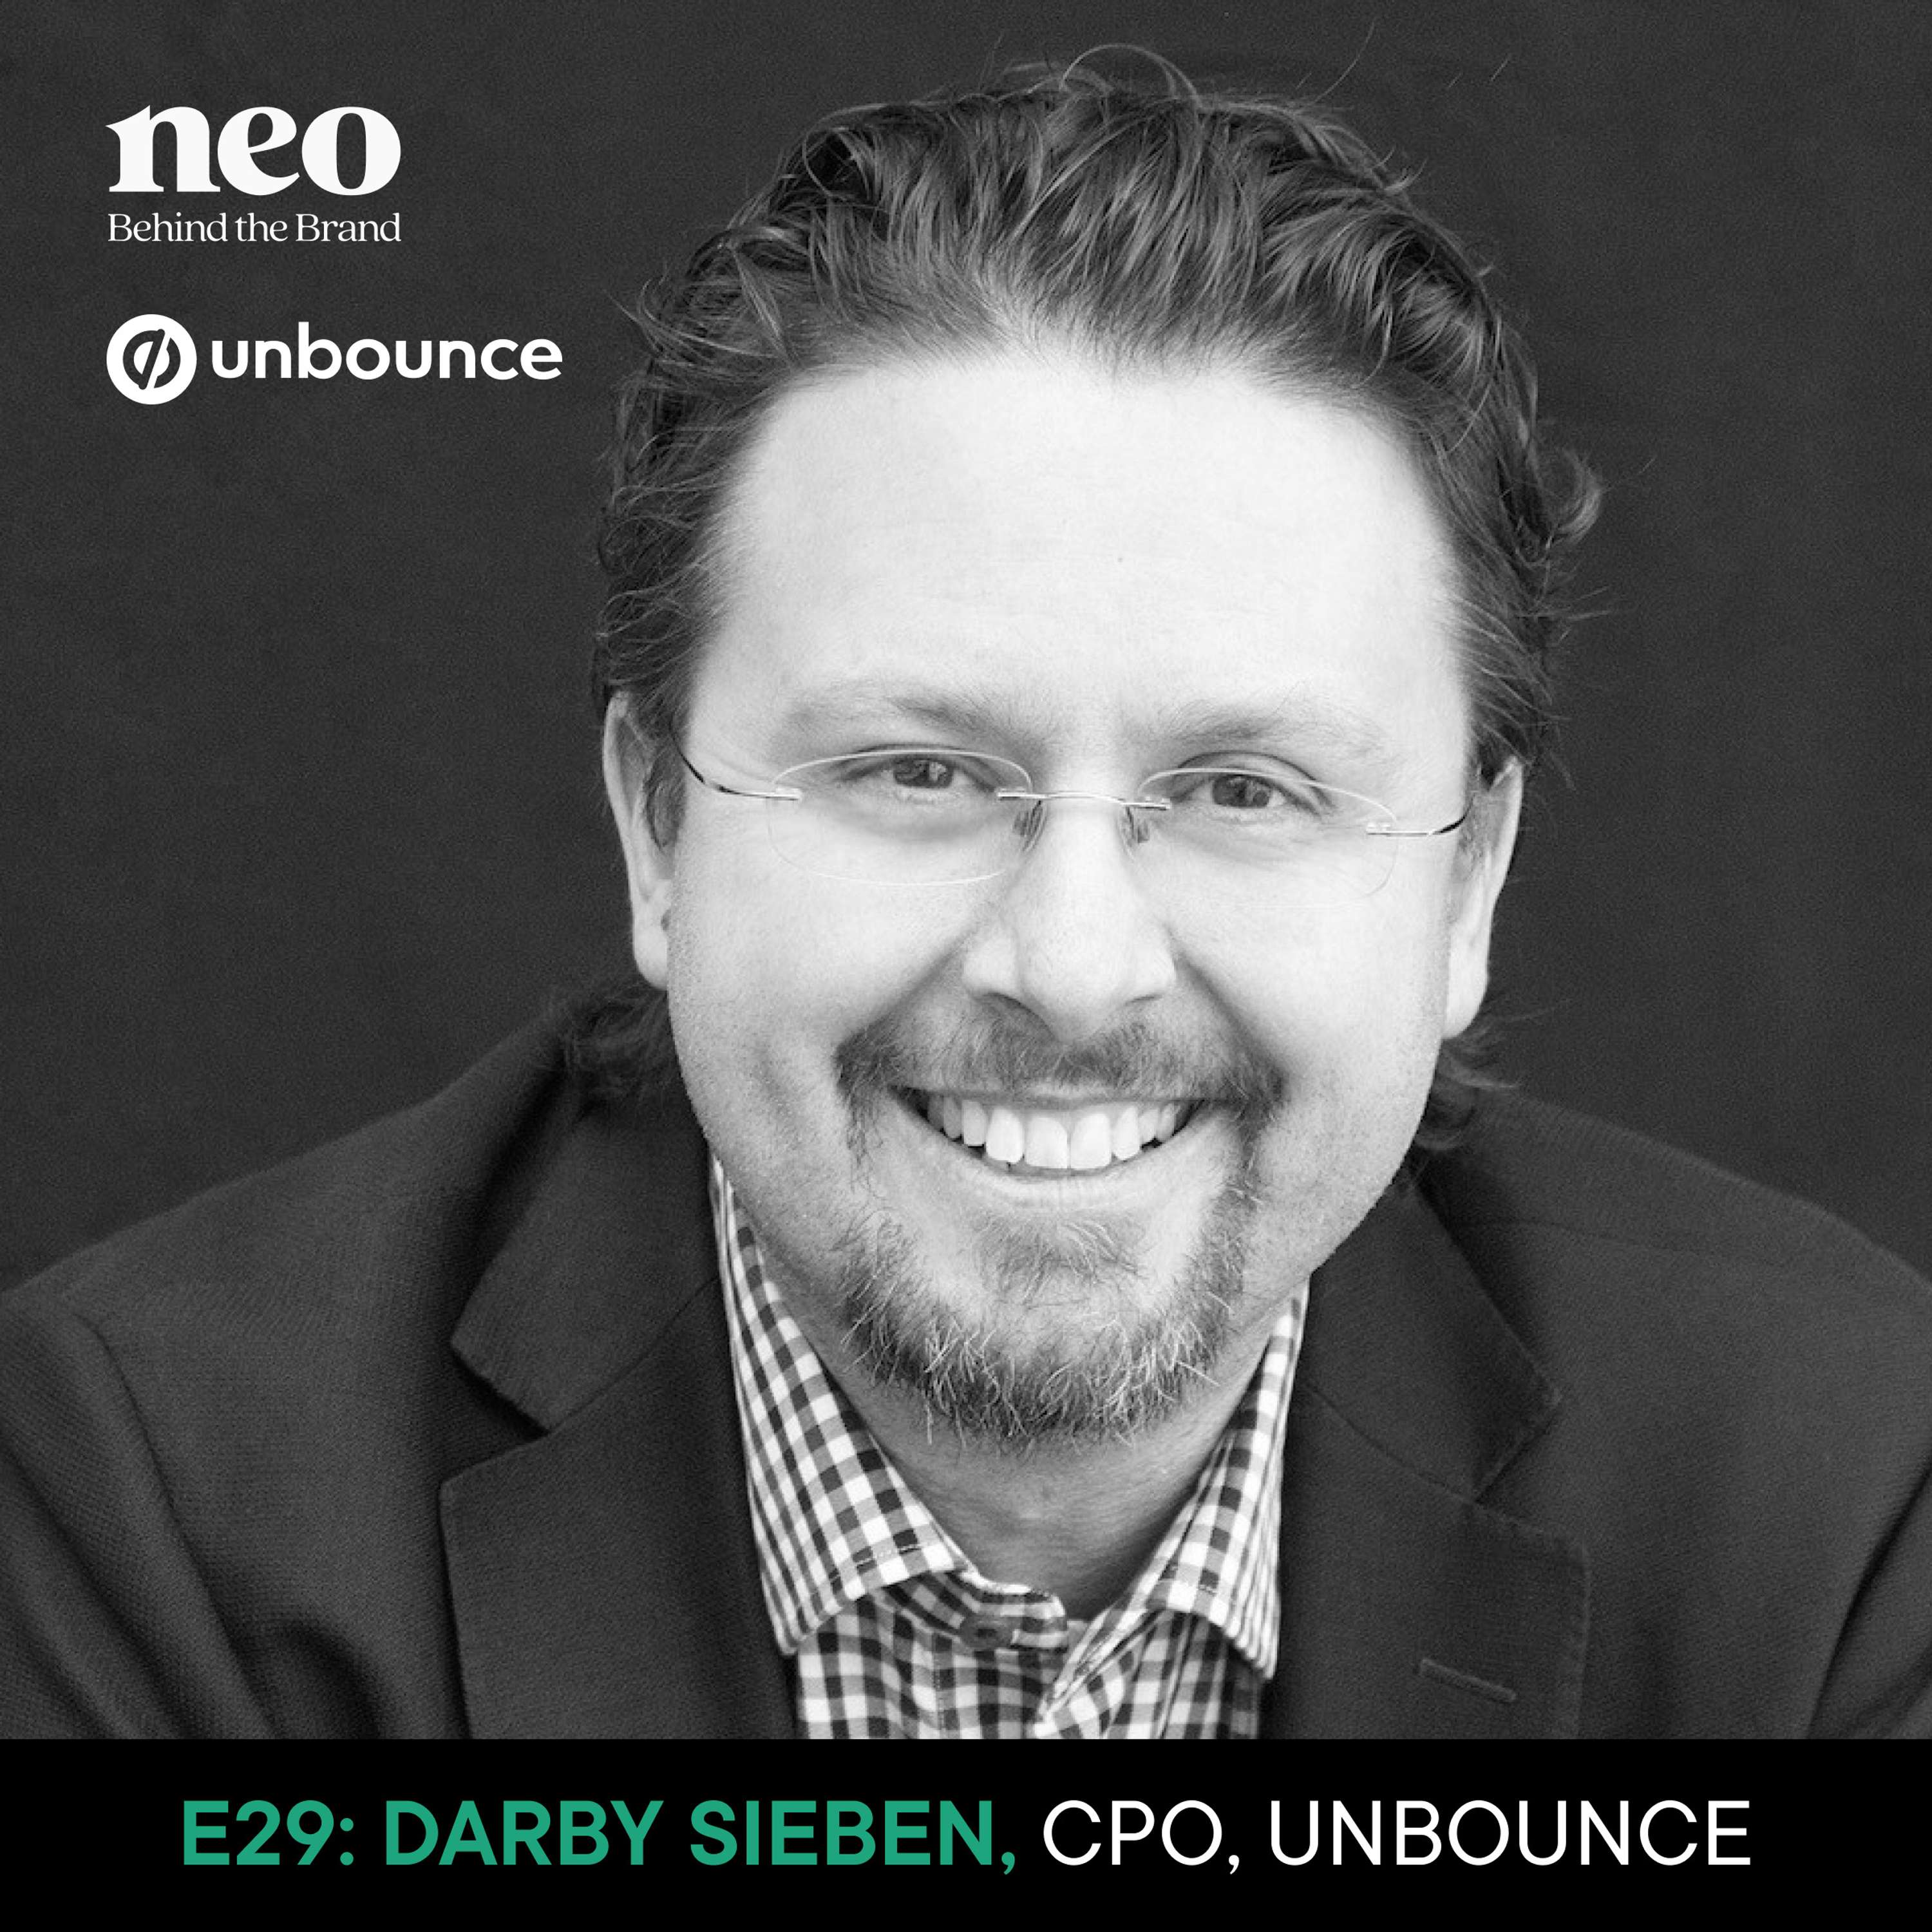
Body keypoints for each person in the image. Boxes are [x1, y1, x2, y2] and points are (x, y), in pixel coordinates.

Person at [5, 59, 1930, 1741]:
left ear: (1470, 883)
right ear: (660, 831)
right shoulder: (150, 1510)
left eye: (1243, 790)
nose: (1073, 968)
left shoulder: (1837, 1500)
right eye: (916, 772)